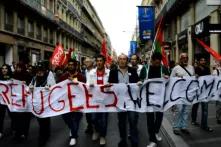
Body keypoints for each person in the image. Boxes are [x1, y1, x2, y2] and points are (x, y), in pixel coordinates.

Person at [108, 53, 140, 147]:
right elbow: (110, 83)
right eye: (120, 59)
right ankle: (123, 140)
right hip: (120, 101)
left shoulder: (133, 70)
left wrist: (138, 82)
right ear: (118, 60)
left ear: (127, 60)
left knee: (132, 120)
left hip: (131, 100)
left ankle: (134, 140)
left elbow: (137, 81)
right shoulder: (113, 71)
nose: (122, 60)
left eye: (124, 59)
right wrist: (109, 86)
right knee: (121, 122)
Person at [140, 52, 169, 147]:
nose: (157, 63)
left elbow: (169, 81)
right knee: (150, 119)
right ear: (152, 60)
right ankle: (152, 139)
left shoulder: (163, 68)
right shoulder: (145, 69)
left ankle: (156, 132)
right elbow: (140, 80)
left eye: (159, 61)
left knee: (159, 117)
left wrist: (167, 78)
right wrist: (142, 80)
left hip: (160, 98)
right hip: (149, 99)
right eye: (155, 61)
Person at [58, 59, 86, 146]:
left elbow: (84, 87)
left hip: (78, 102)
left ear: (75, 66)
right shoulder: (63, 76)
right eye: (69, 65)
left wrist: (74, 81)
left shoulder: (81, 76)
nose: (70, 66)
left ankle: (74, 136)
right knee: (66, 117)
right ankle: (72, 128)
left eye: (72, 65)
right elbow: (58, 88)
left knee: (76, 119)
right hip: (66, 103)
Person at [29, 61, 56, 146]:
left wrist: (49, 87)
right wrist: (31, 87)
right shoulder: (34, 78)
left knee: (45, 120)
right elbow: (30, 87)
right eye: (38, 70)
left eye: (41, 70)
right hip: (38, 104)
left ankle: (43, 137)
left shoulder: (49, 76)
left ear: (44, 70)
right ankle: (46, 134)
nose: (39, 72)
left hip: (46, 104)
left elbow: (54, 86)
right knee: (41, 120)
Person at [87, 55, 109, 146]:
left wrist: (108, 86)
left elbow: (112, 84)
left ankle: (103, 136)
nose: (99, 62)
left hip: (105, 100)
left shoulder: (109, 72)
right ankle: (96, 131)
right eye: (98, 61)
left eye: (101, 61)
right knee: (94, 118)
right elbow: (87, 84)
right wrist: (90, 85)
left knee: (103, 119)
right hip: (94, 99)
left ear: (104, 62)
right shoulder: (91, 72)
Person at [170, 53, 195, 135]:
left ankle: (183, 127)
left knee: (186, 111)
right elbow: (171, 80)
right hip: (178, 93)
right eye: (183, 58)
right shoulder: (175, 69)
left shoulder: (191, 68)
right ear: (180, 59)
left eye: (186, 57)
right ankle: (176, 127)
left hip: (188, 93)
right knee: (179, 110)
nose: (185, 59)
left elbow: (193, 78)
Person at [191, 56, 213, 132]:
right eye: (202, 60)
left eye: (204, 60)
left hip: (205, 92)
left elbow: (209, 79)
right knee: (195, 106)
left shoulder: (207, 69)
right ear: (199, 61)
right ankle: (193, 120)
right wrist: (195, 76)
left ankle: (204, 125)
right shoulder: (196, 69)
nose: (203, 61)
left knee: (205, 109)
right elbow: (193, 78)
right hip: (197, 91)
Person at [12, 63, 32, 141]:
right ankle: (18, 133)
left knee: (25, 118)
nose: (18, 69)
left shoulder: (28, 76)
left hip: (25, 101)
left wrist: (26, 84)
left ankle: (24, 133)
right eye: (17, 67)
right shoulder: (14, 76)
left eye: (20, 68)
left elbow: (31, 86)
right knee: (17, 118)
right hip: (17, 101)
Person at [0, 64, 13, 139]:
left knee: (12, 116)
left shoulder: (12, 78)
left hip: (9, 101)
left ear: (8, 70)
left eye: (6, 68)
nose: (4, 70)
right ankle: (0, 131)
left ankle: (13, 128)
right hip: (1, 101)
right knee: (0, 117)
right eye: (3, 68)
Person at [84, 57, 95, 134]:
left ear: (92, 63)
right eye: (85, 61)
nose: (86, 63)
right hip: (86, 94)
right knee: (87, 112)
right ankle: (89, 126)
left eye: (88, 61)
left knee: (93, 113)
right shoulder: (85, 71)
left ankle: (95, 127)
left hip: (94, 94)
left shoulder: (95, 71)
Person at [212, 59, 221, 124]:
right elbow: (214, 80)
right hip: (218, 90)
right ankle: (218, 118)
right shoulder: (215, 71)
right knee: (219, 105)